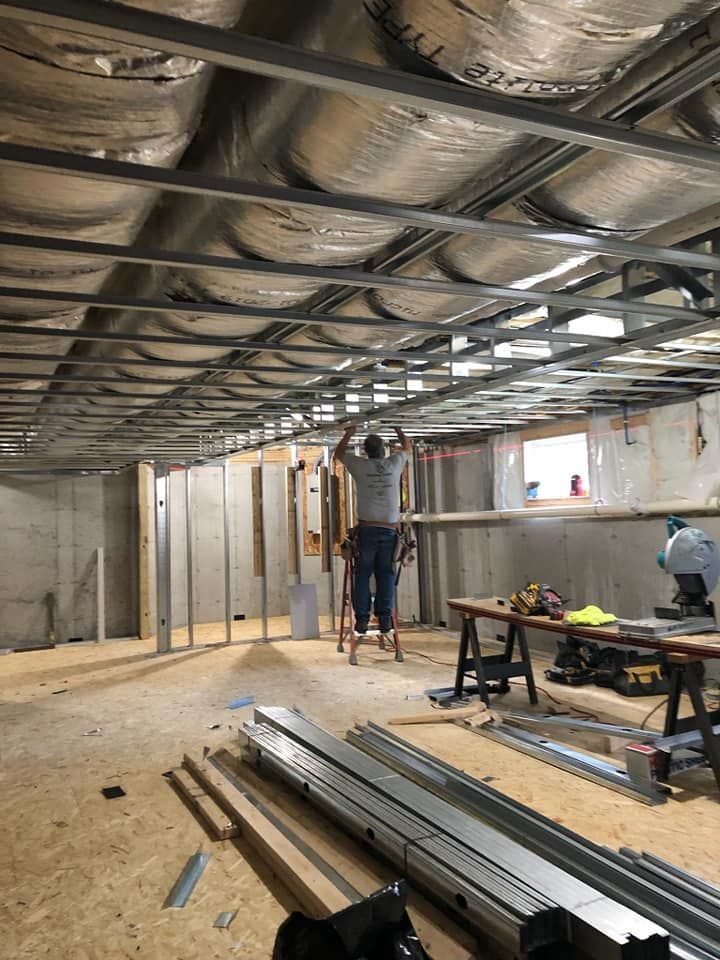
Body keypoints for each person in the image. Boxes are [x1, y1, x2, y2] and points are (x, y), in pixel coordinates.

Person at [335, 424, 412, 636]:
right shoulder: (394, 464)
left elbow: (339, 453)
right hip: (389, 532)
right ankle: (385, 620)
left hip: (367, 532)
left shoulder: (360, 466)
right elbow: (407, 447)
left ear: (366, 451)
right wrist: (398, 428)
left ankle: (361, 620)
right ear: (383, 450)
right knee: (385, 574)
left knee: (362, 574)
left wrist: (349, 433)